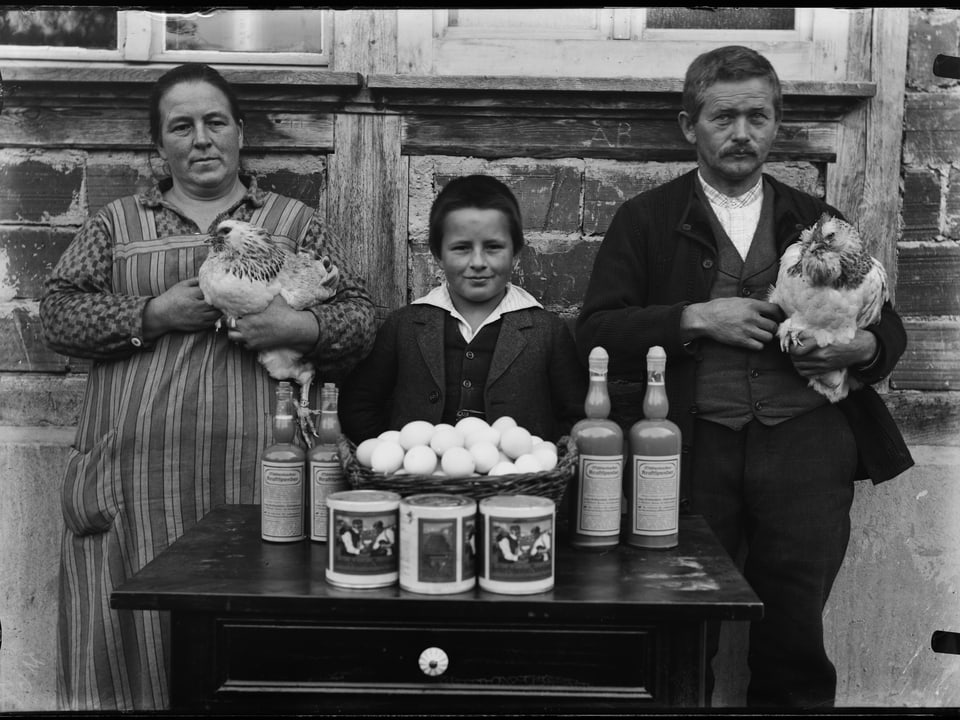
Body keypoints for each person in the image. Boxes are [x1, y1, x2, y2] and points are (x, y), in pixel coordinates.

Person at [576, 45, 913, 708]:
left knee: (794, 638)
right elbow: (595, 334)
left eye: (757, 116)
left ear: (776, 123)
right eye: (723, 116)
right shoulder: (646, 220)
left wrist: (859, 348)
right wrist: (697, 317)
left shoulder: (816, 221)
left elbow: (888, 327)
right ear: (688, 125)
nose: (741, 133)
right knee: (678, 633)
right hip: (690, 447)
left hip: (807, 448)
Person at [39, 63, 376, 711]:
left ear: (240, 132)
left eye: (215, 121)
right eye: (182, 126)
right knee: (128, 657)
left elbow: (360, 321)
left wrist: (295, 325)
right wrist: (151, 315)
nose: (201, 139)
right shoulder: (115, 224)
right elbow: (57, 317)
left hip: (257, 481)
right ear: (158, 145)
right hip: (135, 488)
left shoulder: (293, 223)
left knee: (250, 658)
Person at [339, 174, 586, 443]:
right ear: (437, 254)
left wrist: (535, 461)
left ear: (515, 253)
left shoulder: (547, 332)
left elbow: (575, 417)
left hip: (517, 483)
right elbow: (358, 406)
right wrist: (397, 457)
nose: (478, 262)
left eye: (493, 247)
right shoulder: (404, 326)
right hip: (419, 482)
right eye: (461, 248)